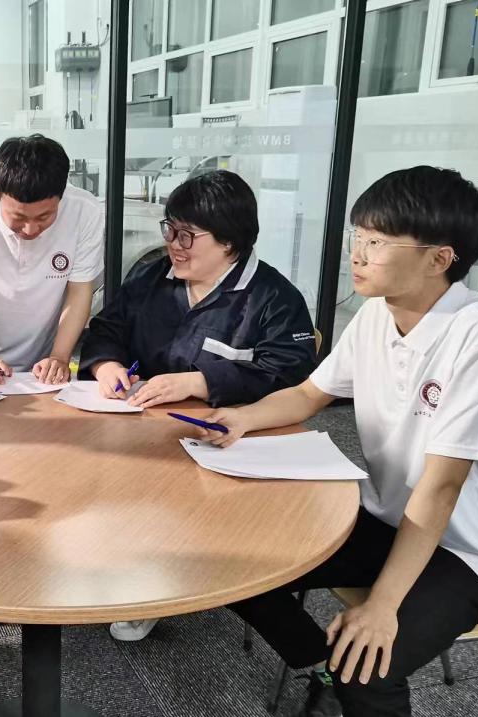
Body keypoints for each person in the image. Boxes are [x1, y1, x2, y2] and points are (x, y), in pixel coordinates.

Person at [195, 166, 478, 717]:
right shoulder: (375, 315)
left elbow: (442, 489)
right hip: (387, 520)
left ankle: (344, 677)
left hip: (462, 551)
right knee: (236, 563)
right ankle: (322, 667)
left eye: (377, 241)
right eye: (357, 236)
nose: (357, 254)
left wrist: (381, 607)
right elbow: (309, 394)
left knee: (369, 671)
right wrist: (240, 418)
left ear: (439, 259)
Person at [83, 170, 317, 643]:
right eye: (170, 229)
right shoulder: (152, 278)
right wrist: (107, 365)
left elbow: (292, 377)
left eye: (188, 235)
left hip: (228, 441)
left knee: (230, 545)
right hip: (146, 436)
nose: (174, 244)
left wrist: (200, 381)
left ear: (230, 241)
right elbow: (108, 328)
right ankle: (146, 577)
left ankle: (296, 644)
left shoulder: (273, 299)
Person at [0, 134, 104, 386]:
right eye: (18, 217)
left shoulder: (85, 211)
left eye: (44, 217)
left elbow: (80, 290)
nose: (30, 229)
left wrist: (59, 357)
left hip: (47, 361)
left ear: (61, 196)